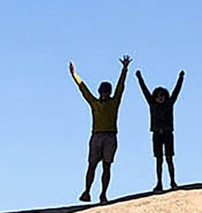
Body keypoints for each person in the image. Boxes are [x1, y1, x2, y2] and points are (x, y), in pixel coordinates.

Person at [70, 56, 130, 204]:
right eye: (102, 92)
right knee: (91, 165)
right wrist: (74, 75)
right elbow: (83, 89)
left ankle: (103, 194)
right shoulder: (94, 103)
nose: (104, 94)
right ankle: (87, 192)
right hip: (96, 136)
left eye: (106, 92)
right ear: (99, 92)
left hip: (110, 136)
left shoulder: (113, 103)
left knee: (107, 166)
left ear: (109, 93)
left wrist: (124, 69)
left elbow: (120, 87)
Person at [137, 69, 185, 192]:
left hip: (168, 133)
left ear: (165, 96)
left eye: (162, 95)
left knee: (169, 158)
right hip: (156, 134)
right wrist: (139, 78)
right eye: (157, 96)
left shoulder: (169, 104)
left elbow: (176, 91)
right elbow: (145, 91)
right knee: (159, 159)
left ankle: (173, 181)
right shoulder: (152, 104)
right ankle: (159, 183)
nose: (160, 98)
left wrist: (181, 78)